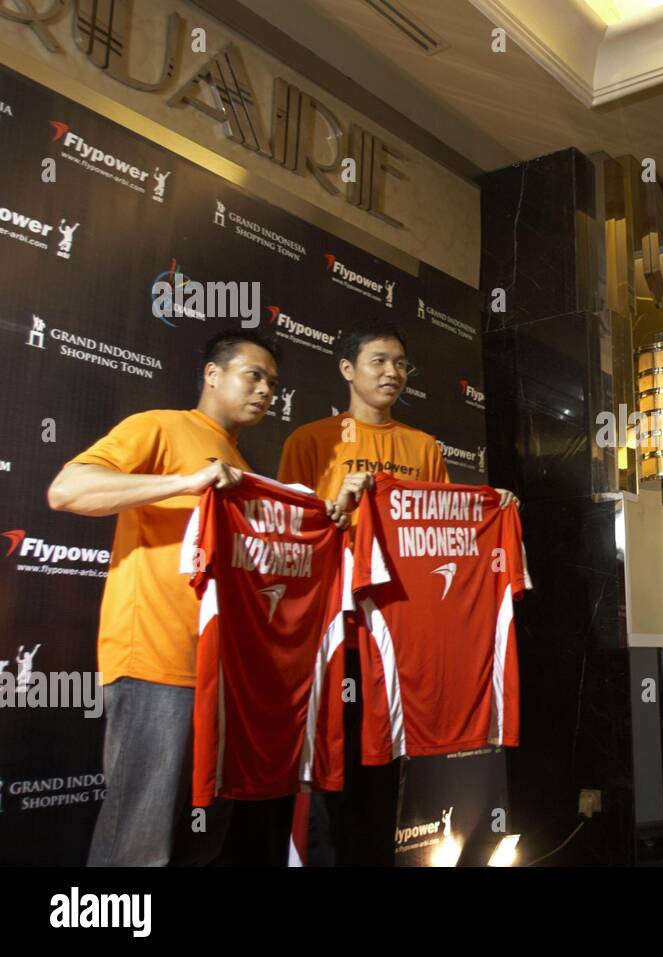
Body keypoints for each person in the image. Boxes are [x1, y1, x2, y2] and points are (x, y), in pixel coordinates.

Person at [277, 318, 517, 866]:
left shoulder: (423, 446)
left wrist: (493, 506)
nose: (393, 374)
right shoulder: (310, 441)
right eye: (379, 362)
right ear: (347, 369)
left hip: (400, 638)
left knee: (384, 782)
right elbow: (292, 535)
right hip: (337, 635)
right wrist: (341, 501)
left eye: (401, 364)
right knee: (332, 780)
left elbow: (445, 535)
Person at [47, 331, 279, 866]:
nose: (266, 390)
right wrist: (186, 482)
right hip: (157, 661)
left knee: (203, 837)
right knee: (139, 842)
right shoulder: (159, 426)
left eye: (272, 382)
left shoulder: (243, 460)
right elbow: (67, 489)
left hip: (219, 674)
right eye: (255, 375)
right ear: (213, 374)